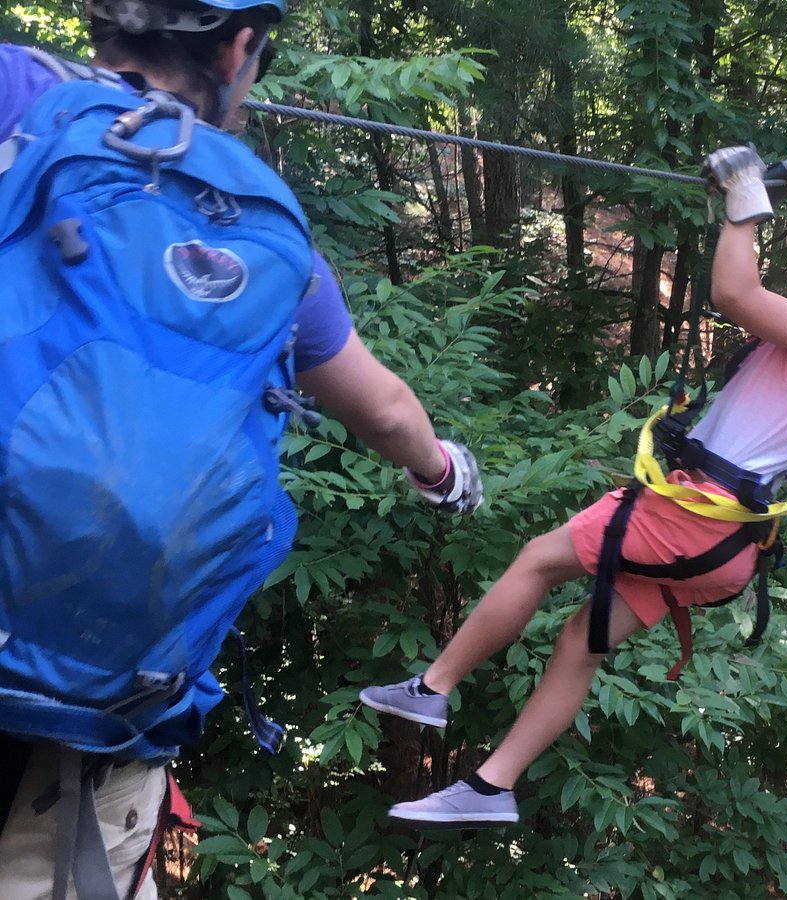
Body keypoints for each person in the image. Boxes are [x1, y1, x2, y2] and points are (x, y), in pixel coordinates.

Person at [0, 2, 481, 897]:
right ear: (238, 48)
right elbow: (382, 410)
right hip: (103, 720)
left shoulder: (17, 94)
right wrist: (443, 470)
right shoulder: (260, 233)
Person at [360, 144, 787, 828]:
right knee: (579, 643)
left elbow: (734, 293)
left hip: (692, 518)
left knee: (538, 558)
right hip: (719, 543)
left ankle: (432, 687)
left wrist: (747, 202)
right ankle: (490, 788)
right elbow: (747, 288)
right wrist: (749, 193)